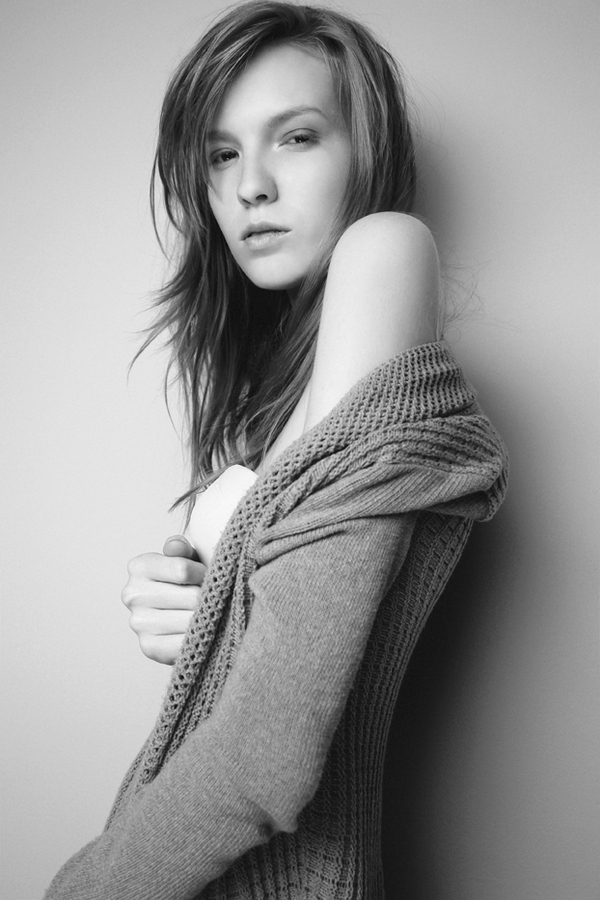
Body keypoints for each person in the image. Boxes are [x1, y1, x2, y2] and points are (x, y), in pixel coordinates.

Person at [45, 2, 508, 897]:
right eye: (221, 154)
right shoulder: (281, 385)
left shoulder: (384, 248)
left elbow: (267, 756)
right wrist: (196, 605)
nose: (249, 185)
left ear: (367, 151)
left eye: (295, 138)